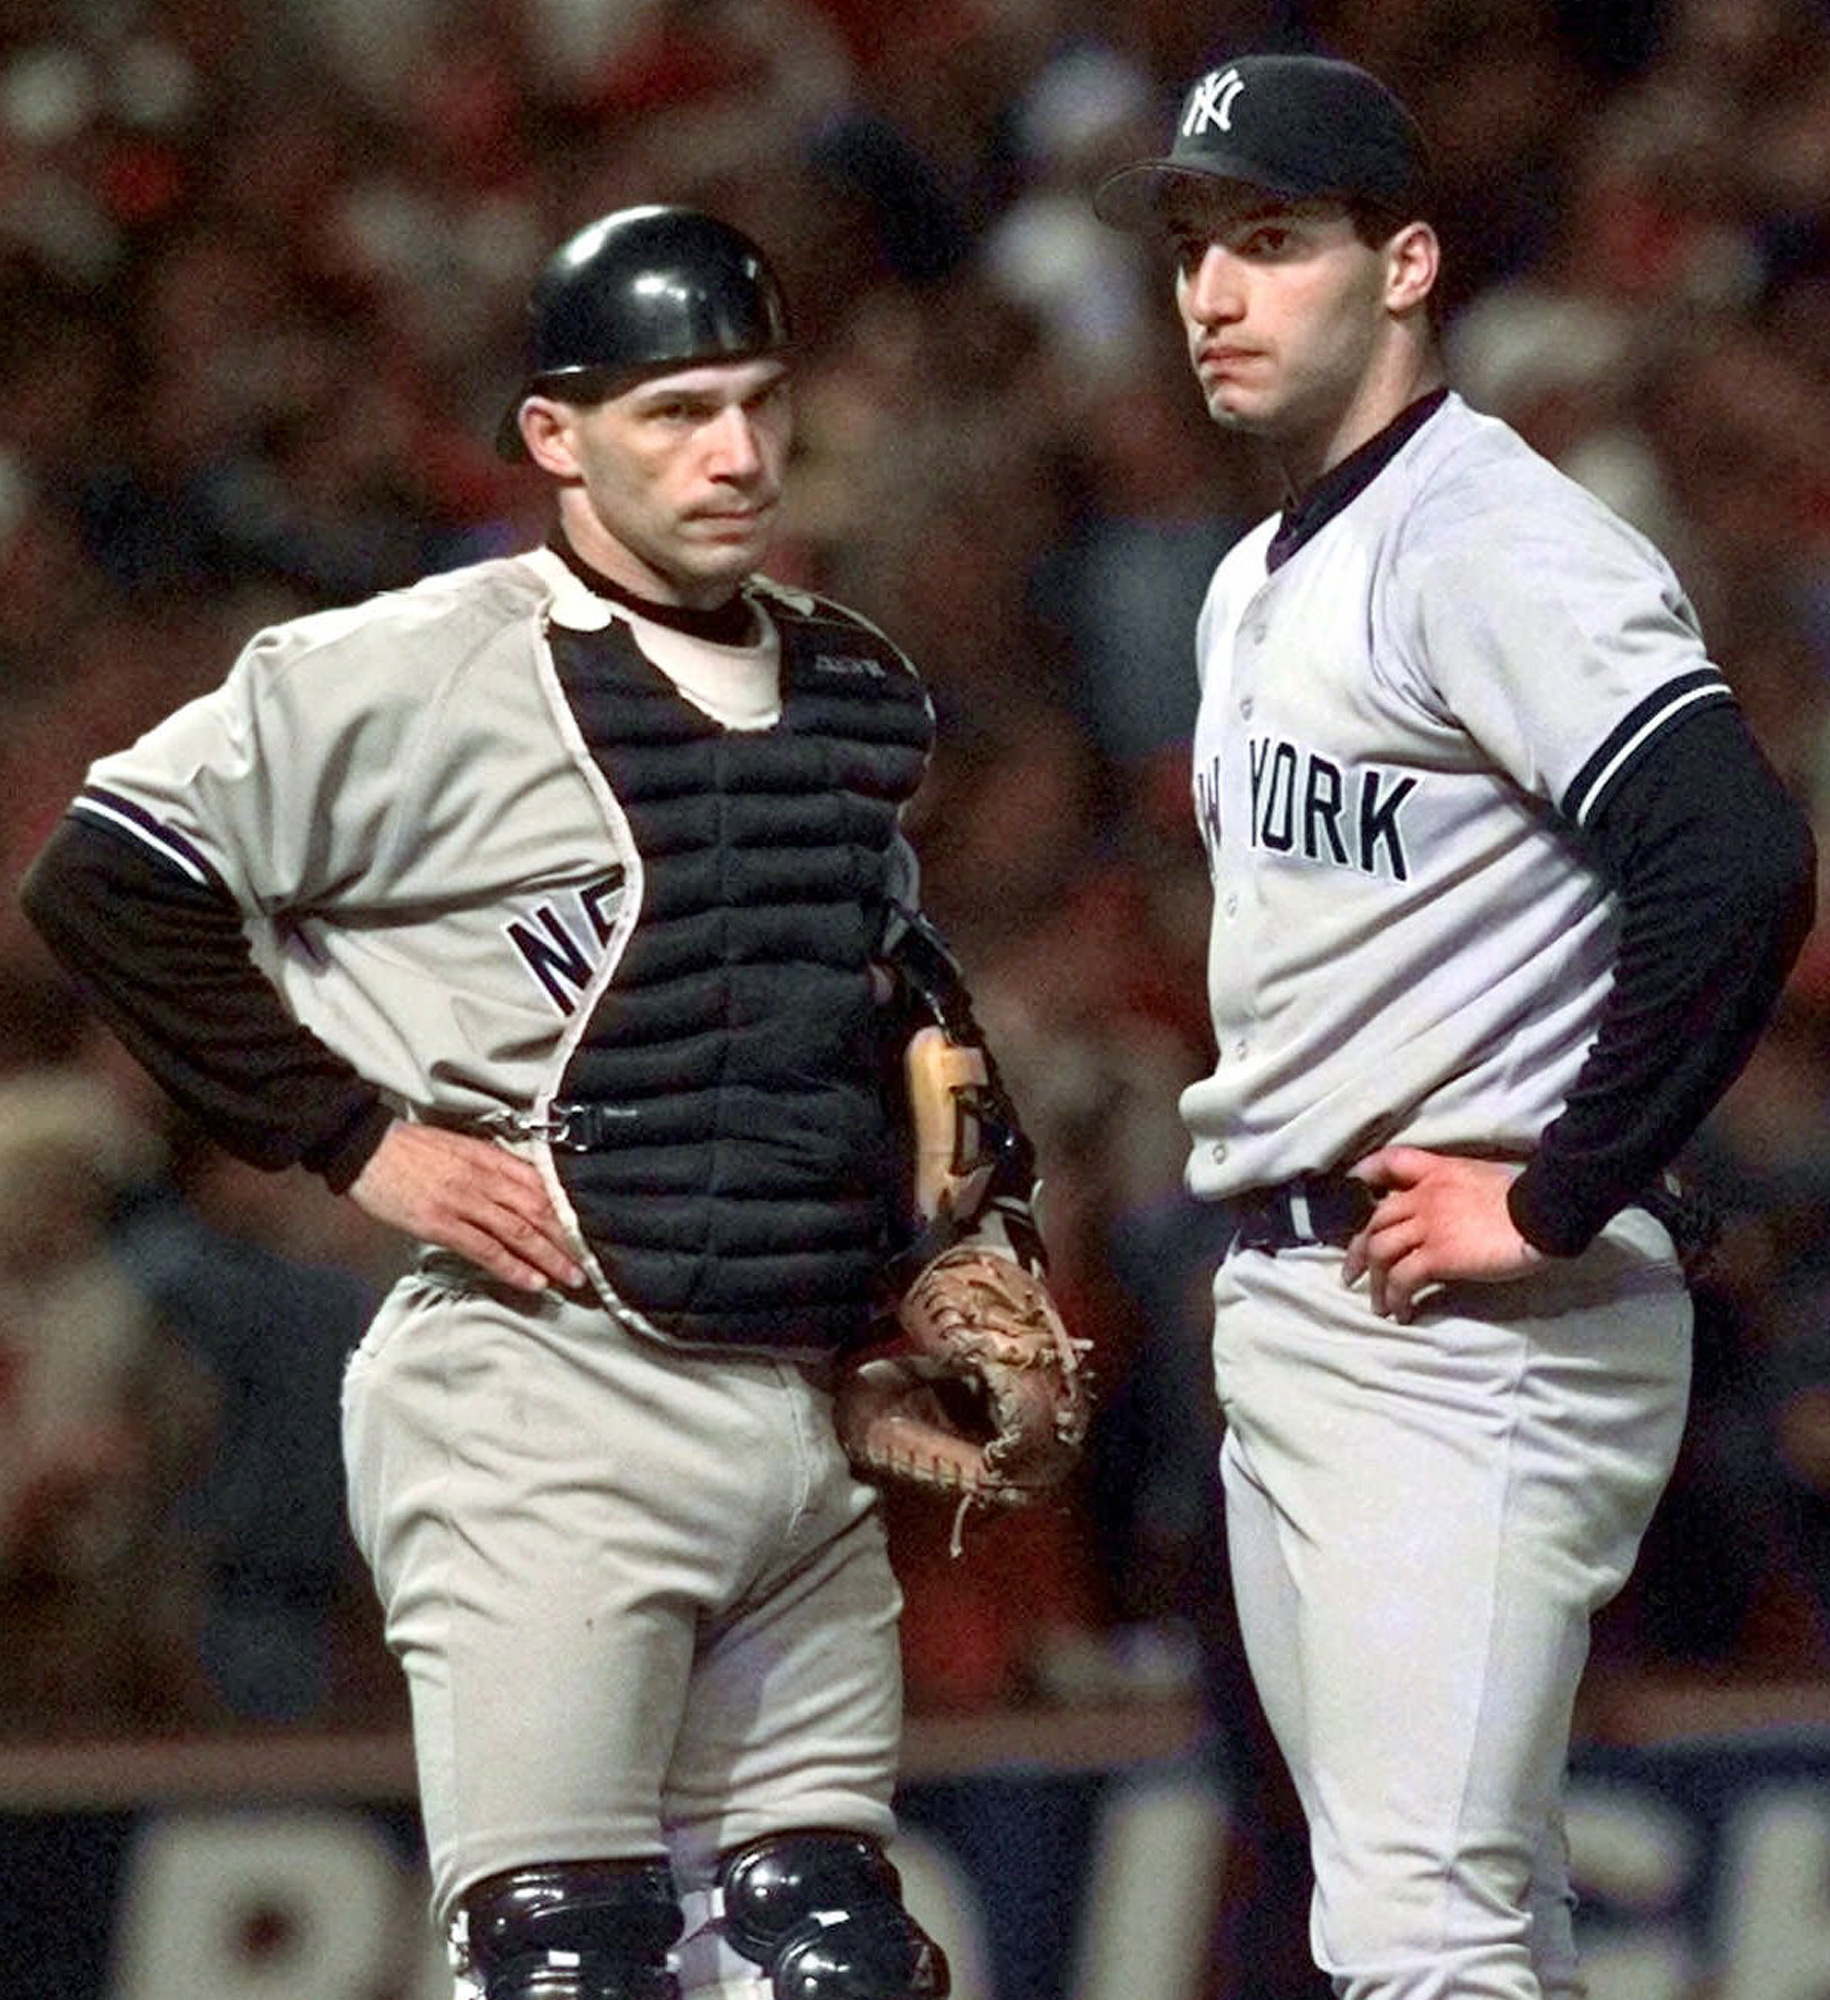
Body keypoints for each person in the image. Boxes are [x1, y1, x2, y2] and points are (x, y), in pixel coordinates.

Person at [15, 204, 1046, 2000]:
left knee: (841, 1963)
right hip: (535, 1398)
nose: (731, 452)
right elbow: (107, 878)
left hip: (795, 1409)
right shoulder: (413, 667)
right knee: (571, 1961)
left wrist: (972, 1231)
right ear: (553, 435)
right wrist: (353, 1138)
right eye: (669, 411)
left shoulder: (856, 686)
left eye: (756, 401)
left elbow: (892, 991)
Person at [1091, 53, 1817, 2000]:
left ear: (1405, 261)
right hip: (1303, 1300)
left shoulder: (1493, 534)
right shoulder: (1254, 578)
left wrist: (1562, 1191)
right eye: (1191, 249)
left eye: (1273, 241)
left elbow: (1734, 855)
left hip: (1468, 1319)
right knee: (1448, 1917)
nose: (1215, 294)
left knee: (1427, 1934)